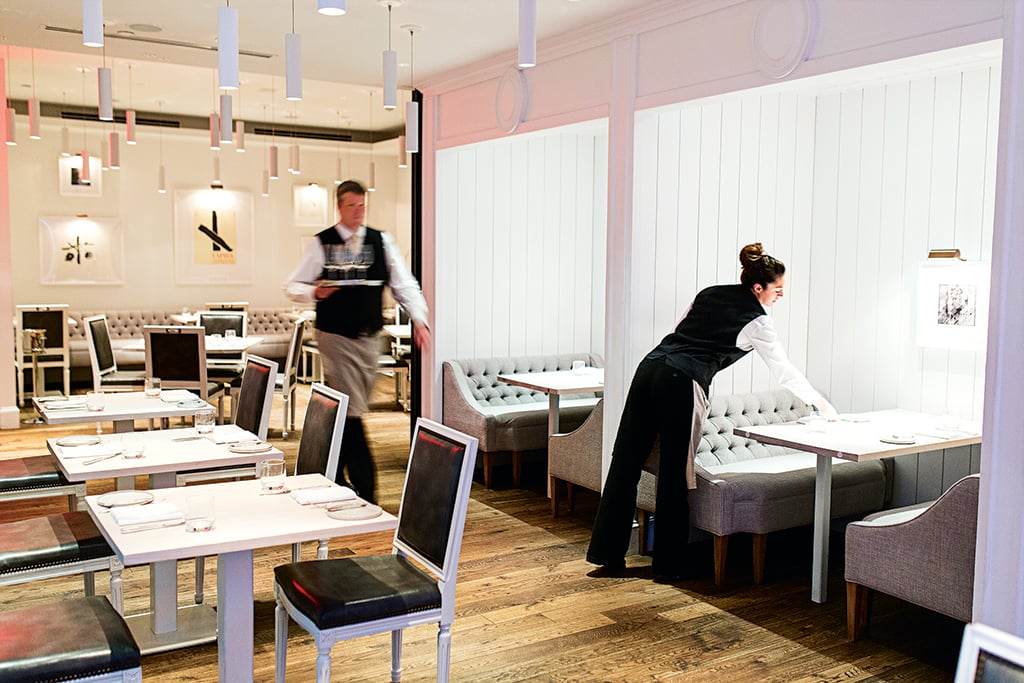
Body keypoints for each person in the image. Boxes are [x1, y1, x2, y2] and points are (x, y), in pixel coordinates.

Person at [586, 242, 837, 581]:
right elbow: (783, 371)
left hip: (650, 368)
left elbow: (680, 333)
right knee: (675, 474)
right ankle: (668, 567)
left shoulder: (709, 293)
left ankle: (607, 555)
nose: (781, 295)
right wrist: (820, 403)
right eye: (778, 289)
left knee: (625, 462)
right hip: (681, 381)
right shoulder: (759, 322)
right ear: (759, 287)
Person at [284, 179, 429, 503]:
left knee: (348, 408)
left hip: (369, 339)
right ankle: (367, 489)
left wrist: (420, 319)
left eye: (362, 205)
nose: (358, 212)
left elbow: (403, 283)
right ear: (339, 206)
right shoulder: (322, 242)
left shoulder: (381, 241)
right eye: (351, 206)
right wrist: (314, 291)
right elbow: (292, 285)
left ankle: (330, 473)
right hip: (334, 336)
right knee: (353, 410)